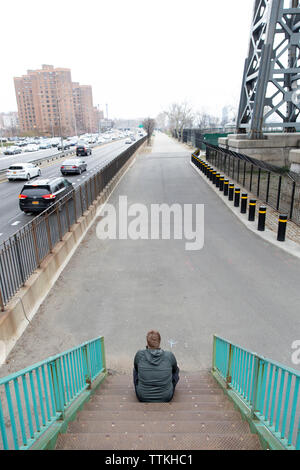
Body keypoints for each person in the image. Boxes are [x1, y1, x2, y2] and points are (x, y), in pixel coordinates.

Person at [133, 330, 179, 403]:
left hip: (143, 397)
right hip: (166, 397)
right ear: (159, 341)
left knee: (135, 369)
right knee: (175, 369)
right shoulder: (169, 355)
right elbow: (174, 370)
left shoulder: (140, 354)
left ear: (147, 342)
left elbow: (136, 369)